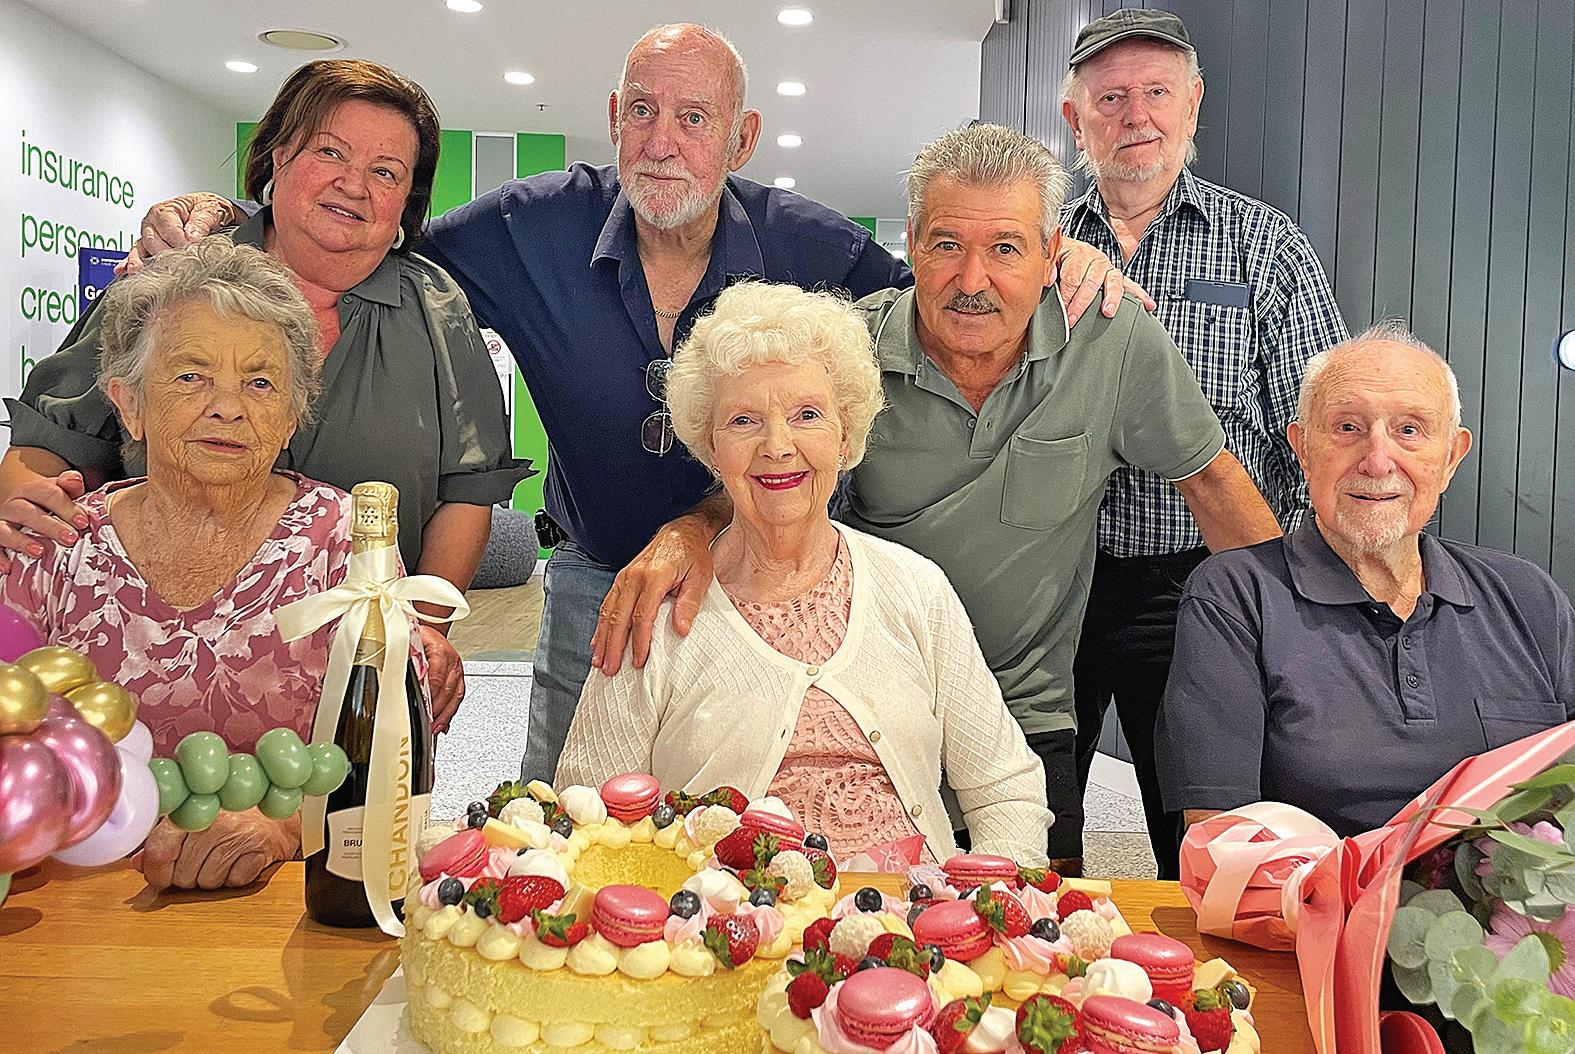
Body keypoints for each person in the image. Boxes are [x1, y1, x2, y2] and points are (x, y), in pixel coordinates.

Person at [122, 25, 1146, 786]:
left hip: (762, 577)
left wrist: (1070, 259)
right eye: (643, 112)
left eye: (695, 118)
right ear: (614, 119)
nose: (663, 141)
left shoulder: (815, 245)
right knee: (560, 813)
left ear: (739, 138)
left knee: (746, 802)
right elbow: (359, 230)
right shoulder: (522, 228)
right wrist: (223, 218)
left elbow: (950, 295)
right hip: (589, 577)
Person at [593, 123, 1283, 871]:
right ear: (913, 244)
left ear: (1052, 254)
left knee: (1031, 910)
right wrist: (688, 531)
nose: (972, 279)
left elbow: (1215, 484)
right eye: (948, 244)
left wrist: (1290, 652)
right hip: (879, 690)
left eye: (1006, 248)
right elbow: (768, 468)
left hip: (1025, 707)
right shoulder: (850, 354)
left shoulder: (1111, 344)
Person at [0, 59, 530, 733]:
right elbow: (52, 439)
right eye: (330, 152)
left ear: (407, 200)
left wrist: (422, 632)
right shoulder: (172, 277)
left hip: (352, 671)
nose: (353, 184)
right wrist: (23, 518)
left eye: (386, 171)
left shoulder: (434, 306)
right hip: (141, 661)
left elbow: (469, 487)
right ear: (280, 153)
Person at [557, 282, 1051, 866]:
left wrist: (981, 901)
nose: (778, 446)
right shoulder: (657, 610)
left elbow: (1006, 789)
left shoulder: (916, 587)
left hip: (916, 914)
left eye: (807, 416)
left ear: (846, 437)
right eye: (744, 420)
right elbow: (585, 819)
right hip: (722, 916)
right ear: (711, 446)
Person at [0, 238, 429, 890]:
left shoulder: (345, 542)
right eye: (190, 376)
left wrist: (288, 826)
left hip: (279, 908)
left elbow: (399, 761)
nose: (228, 406)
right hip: (74, 909)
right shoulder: (57, 544)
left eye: (260, 382)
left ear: (292, 414)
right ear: (129, 404)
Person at [1057, 9, 1348, 877]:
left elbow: (1318, 430)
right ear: (1074, 119)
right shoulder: (1037, 248)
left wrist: (1301, 590)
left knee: (1205, 835)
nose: (1135, 116)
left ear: (1192, 104)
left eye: (1155, 92)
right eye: (1110, 98)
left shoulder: (1264, 244)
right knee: (1030, 816)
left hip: (1202, 583)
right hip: (1053, 581)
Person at [1157, 324, 1575, 838]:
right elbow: (1221, 838)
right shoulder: (1236, 595)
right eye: (1348, 427)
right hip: (1311, 891)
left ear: (1451, 458)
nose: (1377, 462)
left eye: (1410, 430)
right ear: (1303, 448)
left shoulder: (1529, 598)